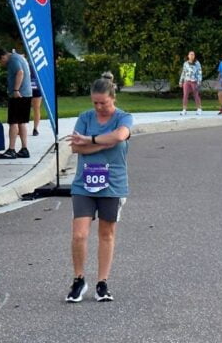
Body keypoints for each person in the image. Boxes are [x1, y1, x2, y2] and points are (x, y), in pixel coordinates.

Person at [66, 76, 134, 303]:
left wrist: (90, 140)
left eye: (102, 102)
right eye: (95, 102)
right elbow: (76, 147)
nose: (98, 107)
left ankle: (102, 283)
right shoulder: (85, 117)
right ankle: (79, 279)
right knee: (79, 234)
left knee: (106, 233)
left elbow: (120, 135)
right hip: (84, 183)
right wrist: (103, 143)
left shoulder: (124, 117)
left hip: (112, 183)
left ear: (112, 98)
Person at [0, 48, 31, 159]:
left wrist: (15, 90)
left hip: (18, 95)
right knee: (22, 122)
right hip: (26, 94)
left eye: (0, 61)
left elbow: (20, 73)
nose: (1, 64)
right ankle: (24, 149)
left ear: (3, 57)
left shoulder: (13, 60)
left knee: (13, 122)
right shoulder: (19, 57)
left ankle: (11, 149)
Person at [178, 51, 203, 116]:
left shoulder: (197, 63)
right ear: (188, 56)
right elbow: (183, 72)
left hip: (194, 81)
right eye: (190, 54)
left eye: (193, 55)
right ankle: (184, 110)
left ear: (194, 56)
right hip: (187, 81)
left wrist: (199, 81)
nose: (192, 56)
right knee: (185, 95)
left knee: (196, 95)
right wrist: (181, 81)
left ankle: (199, 109)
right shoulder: (185, 63)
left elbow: (199, 72)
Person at [28, 58, 43, 137]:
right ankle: (22, 128)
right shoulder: (25, 62)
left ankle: (35, 128)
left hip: (36, 87)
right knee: (33, 108)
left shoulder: (40, 63)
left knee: (36, 108)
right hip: (28, 88)